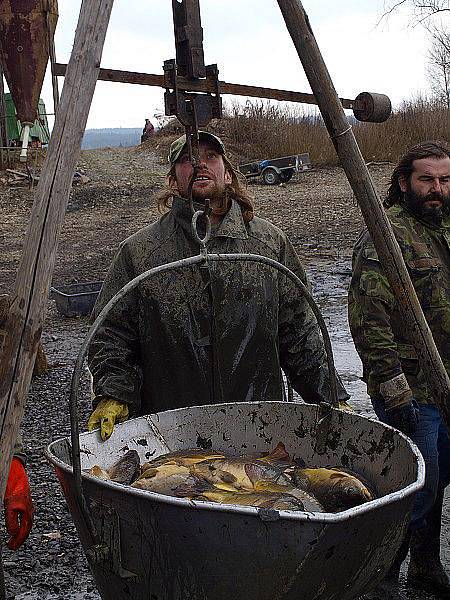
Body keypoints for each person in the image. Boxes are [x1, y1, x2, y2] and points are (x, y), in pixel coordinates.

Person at [87, 130, 349, 440]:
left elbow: (299, 332)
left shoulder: (267, 244)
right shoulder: (140, 252)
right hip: (170, 432)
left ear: (226, 170)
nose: (200, 165)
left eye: (211, 157)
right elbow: (111, 333)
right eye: (187, 160)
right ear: (173, 179)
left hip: (261, 426)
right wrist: (114, 393)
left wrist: (331, 398)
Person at [348, 141, 450, 595]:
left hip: (449, 385)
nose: (437, 189)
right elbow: (369, 321)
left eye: (445, 181)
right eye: (427, 179)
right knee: (414, 488)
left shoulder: (446, 229)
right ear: (405, 182)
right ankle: (379, 577)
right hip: (415, 391)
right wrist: (395, 394)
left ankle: (425, 565)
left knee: (440, 478)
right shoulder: (386, 236)